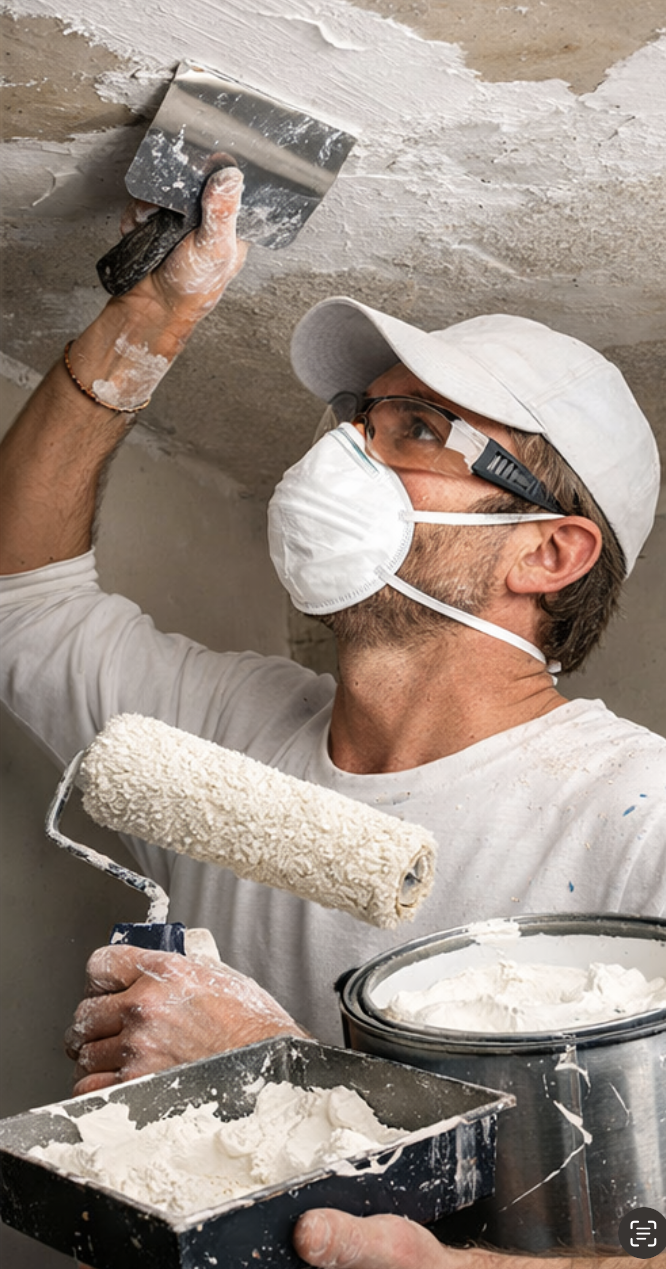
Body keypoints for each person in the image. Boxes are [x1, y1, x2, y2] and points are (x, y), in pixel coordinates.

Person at [1, 168, 664, 1269]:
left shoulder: (635, 816)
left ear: (548, 550)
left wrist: (275, 1065)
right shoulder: (220, 735)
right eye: (358, 417)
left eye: (417, 429)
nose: (344, 453)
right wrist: (149, 321)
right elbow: (19, 596)